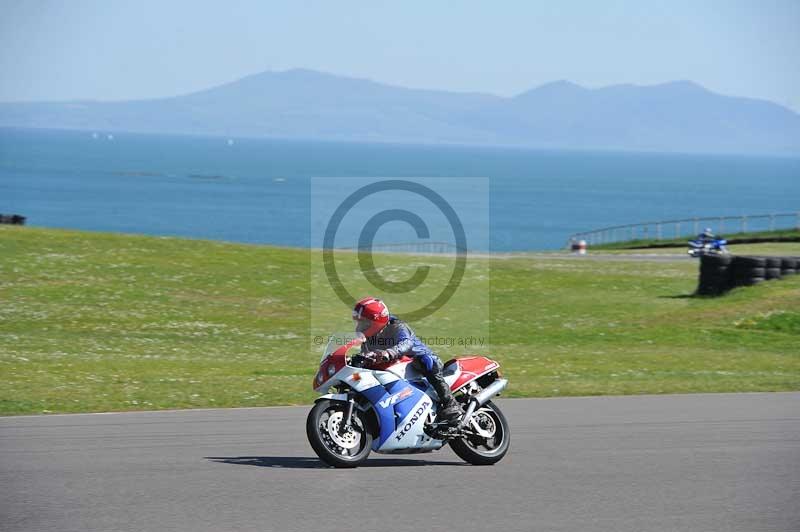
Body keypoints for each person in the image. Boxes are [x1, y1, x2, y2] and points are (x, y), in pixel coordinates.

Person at [352, 296, 462, 423]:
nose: (360, 327)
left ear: (377, 321)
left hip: (418, 365)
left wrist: (388, 353)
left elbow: (406, 343)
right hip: (394, 373)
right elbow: (366, 355)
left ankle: (450, 403)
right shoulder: (368, 339)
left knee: (425, 361)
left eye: (364, 323)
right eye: (358, 322)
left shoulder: (396, 326)